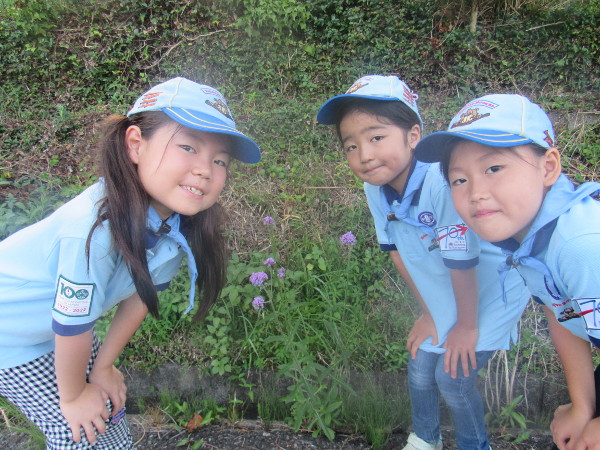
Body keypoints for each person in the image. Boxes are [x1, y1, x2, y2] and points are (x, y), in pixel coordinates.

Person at [0, 76, 261, 449]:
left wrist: (104, 367)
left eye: (220, 160)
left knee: (107, 410)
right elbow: (72, 325)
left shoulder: (173, 228)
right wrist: (73, 396)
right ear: (136, 144)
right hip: (11, 337)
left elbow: (140, 296)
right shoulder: (93, 230)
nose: (206, 169)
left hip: (60, 330)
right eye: (188, 147)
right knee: (82, 431)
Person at [317, 75, 530, 450]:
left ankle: (475, 446)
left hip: (491, 283)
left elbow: (463, 260)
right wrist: (429, 312)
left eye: (376, 137)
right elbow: (395, 250)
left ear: (413, 135)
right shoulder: (374, 188)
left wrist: (465, 326)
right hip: (449, 284)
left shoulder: (440, 183)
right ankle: (425, 438)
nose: (364, 154)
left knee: (454, 378)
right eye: (350, 145)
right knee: (420, 364)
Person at [414, 93, 600, 450]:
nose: (476, 193)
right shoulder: (532, 241)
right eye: (459, 180)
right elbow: (560, 313)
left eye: (494, 169)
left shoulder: (581, 246)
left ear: (548, 167)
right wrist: (582, 406)